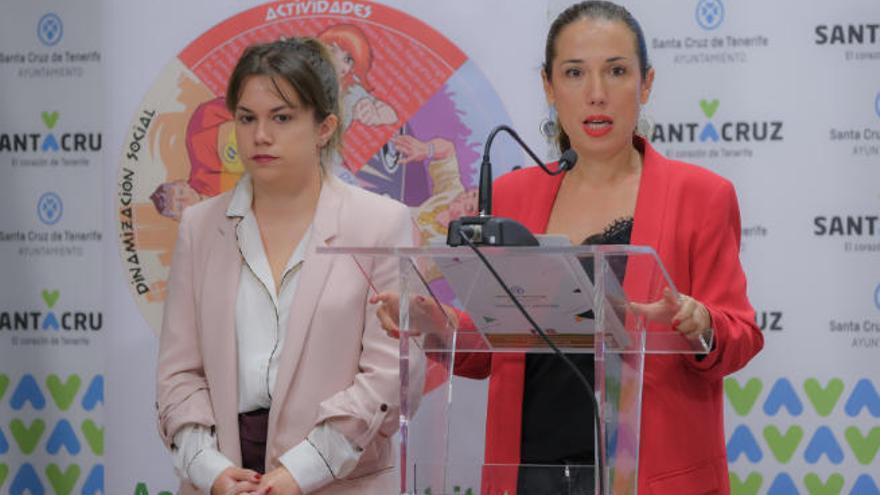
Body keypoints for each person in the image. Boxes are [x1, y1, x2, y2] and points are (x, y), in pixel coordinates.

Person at [374, 2, 763, 493]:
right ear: (548, 86)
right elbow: (499, 342)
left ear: (645, 84)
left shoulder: (702, 196)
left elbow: (742, 334)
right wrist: (437, 324)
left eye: (616, 71)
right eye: (575, 73)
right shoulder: (514, 194)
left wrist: (699, 320)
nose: (596, 94)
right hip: (529, 471)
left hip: (649, 476)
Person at [156, 37, 422, 495]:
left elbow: (392, 373)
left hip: (340, 480)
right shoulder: (200, 227)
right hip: (222, 480)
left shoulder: (382, 223)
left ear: (324, 127)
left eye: (282, 117)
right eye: (247, 118)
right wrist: (208, 468)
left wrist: (302, 471)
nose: (261, 135)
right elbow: (179, 373)